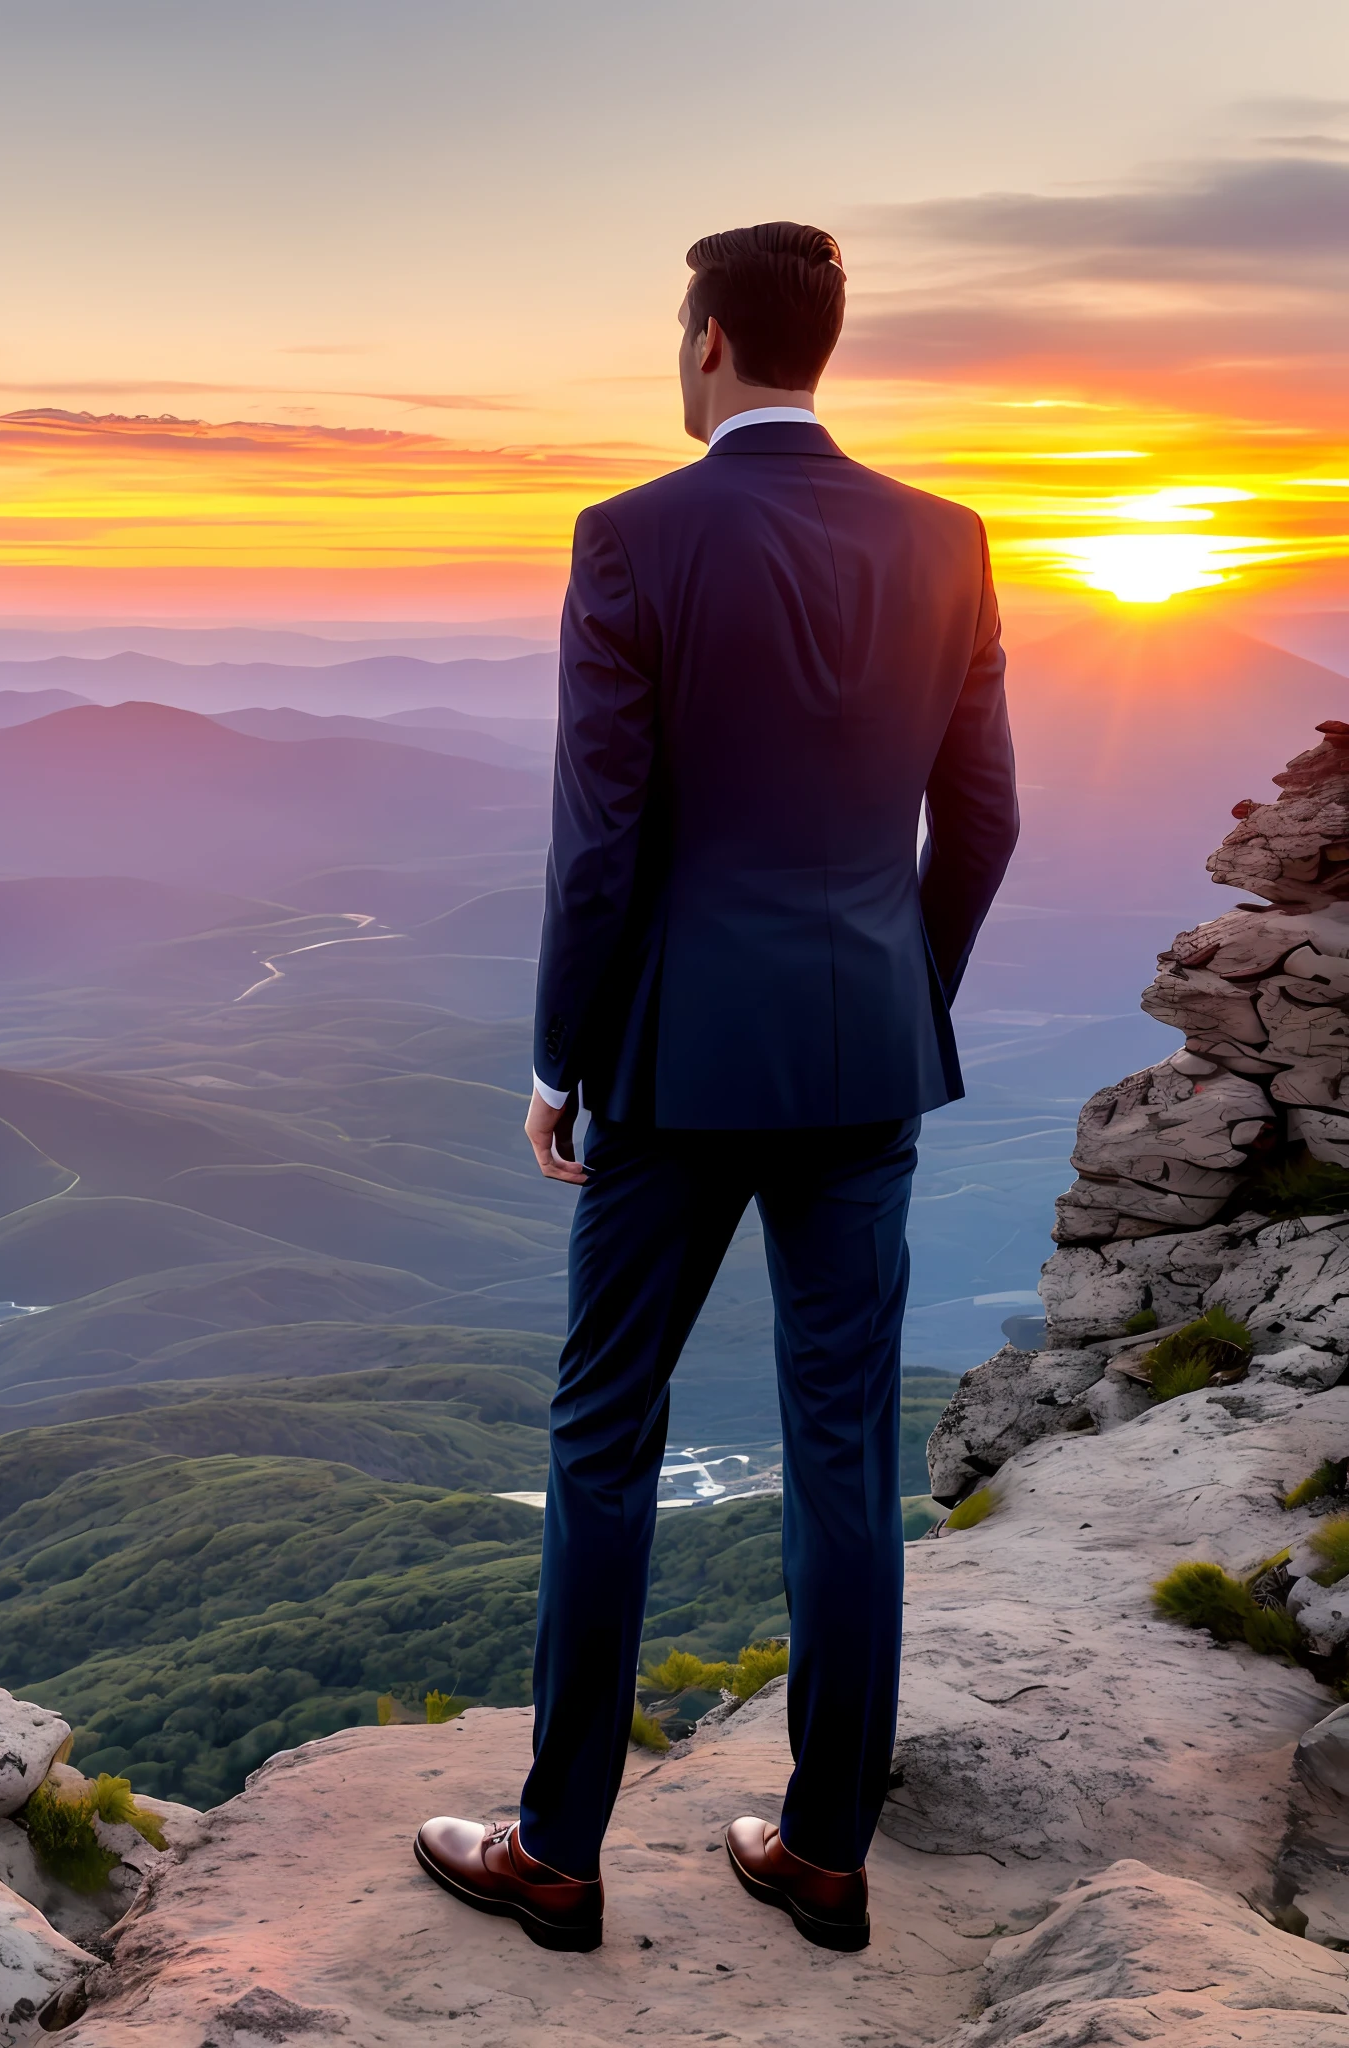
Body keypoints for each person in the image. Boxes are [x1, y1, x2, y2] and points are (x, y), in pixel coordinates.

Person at [413, 221, 1018, 1956]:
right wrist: (901, 995)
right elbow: (983, 821)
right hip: (863, 1069)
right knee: (846, 1451)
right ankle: (825, 1851)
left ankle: (556, 1850)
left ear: (709, 345)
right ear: (816, 347)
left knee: (605, 1436)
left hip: (676, 1066)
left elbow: (601, 838)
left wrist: (557, 1060)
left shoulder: (635, 537)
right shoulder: (947, 541)